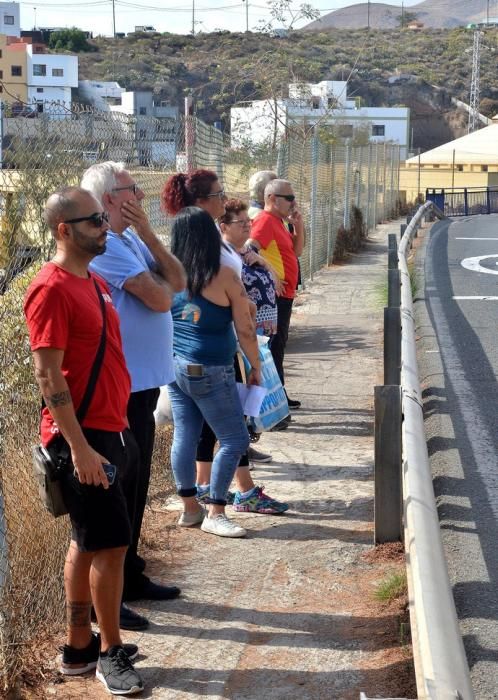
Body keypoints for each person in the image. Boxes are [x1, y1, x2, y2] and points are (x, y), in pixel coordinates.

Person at [24, 187, 144, 695]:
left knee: (87, 541)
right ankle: (109, 653)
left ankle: (78, 647)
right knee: (112, 547)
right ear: (63, 230)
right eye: (93, 220)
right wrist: (78, 449)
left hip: (109, 430)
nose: (104, 225)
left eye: (103, 217)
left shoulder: (92, 281)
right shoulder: (50, 288)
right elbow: (49, 378)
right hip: (82, 440)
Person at [81, 162, 185, 630]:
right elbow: (162, 299)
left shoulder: (128, 240)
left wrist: (150, 235)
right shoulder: (104, 248)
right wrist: (158, 281)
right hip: (120, 391)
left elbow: (177, 283)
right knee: (120, 494)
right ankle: (111, 595)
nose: (141, 194)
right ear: (109, 199)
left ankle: (132, 574)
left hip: (142, 386)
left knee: (137, 486)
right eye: (130, 189)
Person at [167, 206, 265, 537]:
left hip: (177, 366)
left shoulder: (166, 274)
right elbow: (246, 329)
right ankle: (216, 511)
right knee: (234, 439)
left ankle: (190, 509)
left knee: (185, 435)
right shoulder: (223, 275)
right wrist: (256, 366)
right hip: (211, 369)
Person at [248, 178, 305, 416]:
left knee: (279, 345)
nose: (293, 202)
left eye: (293, 197)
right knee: (273, 345)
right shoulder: (265, 221)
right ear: (271, 198)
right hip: (274, 297)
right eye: (288, 198)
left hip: (285, 295)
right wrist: (270, 275)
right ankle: (270, 400)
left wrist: (299, 225)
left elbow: (297, 251)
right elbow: (250, 250)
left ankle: (279, 394)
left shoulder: (280, 222)